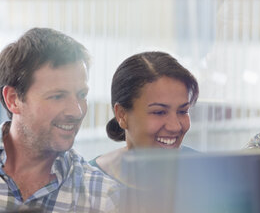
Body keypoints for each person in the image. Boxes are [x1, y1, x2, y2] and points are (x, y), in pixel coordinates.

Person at [0, 28, 120, 212]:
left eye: (82, 95)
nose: (76, 111)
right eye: (57, 96)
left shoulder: (105, 198)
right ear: (13, 99)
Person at [90, 51, 199, 181]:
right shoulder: (89, 182)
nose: (175, 127)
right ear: (122, 115)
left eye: (183, 111)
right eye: (159, 112)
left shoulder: (208, 173)